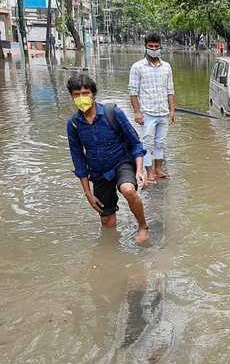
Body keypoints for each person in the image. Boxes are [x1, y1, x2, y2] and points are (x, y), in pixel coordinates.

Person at [66, 73, 150, 244]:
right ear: (72, 97)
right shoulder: (74, 124)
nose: (82, 98)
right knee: (108, 223)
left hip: (121, 163)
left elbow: (135, 143)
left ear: (93, 94)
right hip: (98, 173)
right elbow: (78, 160)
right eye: (77, 95)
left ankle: (143, 226)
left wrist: (139, 170)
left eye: (85, 93)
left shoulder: (113, 113)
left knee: (128, 189)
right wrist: (88, 193)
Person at [128, 33, 176, 181]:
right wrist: (137, 112)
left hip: (163, 111)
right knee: (147, 143)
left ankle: (158, 169)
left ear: (160, 46)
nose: (154, 49)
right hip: (147, 112)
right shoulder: (137, 67)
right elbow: (133, 92)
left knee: (160, 143)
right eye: (151, 46)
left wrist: (172, 110)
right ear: (146, 46)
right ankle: (149, 172)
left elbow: (170, 90)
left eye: (156, 46)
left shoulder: (166, 67)